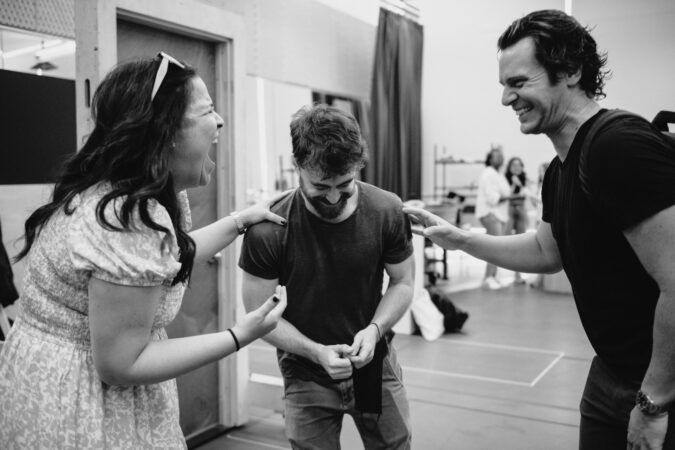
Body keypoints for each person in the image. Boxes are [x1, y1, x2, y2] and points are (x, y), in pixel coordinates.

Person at [404, 9, 675, 449]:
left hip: (658, 383)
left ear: (570, 71)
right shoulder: (559, 170)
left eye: (518, 83)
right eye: (503, 86)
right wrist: (459, 238)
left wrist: (655, 401)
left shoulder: (616, 147)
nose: (506, 99)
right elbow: (545, 252)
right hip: (611, 372)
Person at [0, 52, 288, 449]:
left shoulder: (121, 192)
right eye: (208, 111)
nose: (219, 121)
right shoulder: (128, 219)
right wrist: (242, 335)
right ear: (167, 132)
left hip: (47, 381)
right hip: (83, 407)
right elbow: (123, 363)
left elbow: (167, 261)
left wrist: (240, 221)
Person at [239, 104, 415, 450]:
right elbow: (260, 316)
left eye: (345, 184)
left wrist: (374, 329)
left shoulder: (387, 210)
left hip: (373, 366)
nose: (333, 196)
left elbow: (403, 282)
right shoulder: (268, 230)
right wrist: (316, 351)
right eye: (320, 187)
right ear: (298, 166)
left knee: (394, 446)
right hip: (306, 373)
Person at [475, 145, 523, 289]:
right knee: (494, 248)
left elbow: (506, 193)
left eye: (501, 155)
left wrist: (515, 190)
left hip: (498, 214)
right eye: (496, 156)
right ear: (490, 159)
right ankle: (489, 277)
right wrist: (515, 196)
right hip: (490, 213)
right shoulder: (488, 173)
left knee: (495, 246)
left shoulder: (499, 174)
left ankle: (492, 276)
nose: (500, 158)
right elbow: (493, 198)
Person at [503, 156, 532, 284]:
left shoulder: (526, 179)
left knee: (520, 242)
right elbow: (505, 196)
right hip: (509, 210)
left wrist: (520, 186)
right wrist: (514, 184)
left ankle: (518, 274)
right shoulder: (504, 180)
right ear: (509, 167)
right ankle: (496, 272)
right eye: (514, 165)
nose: (517, 167)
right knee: (505, 239)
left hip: (521, 210)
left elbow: (527, 193)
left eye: (519, 165)